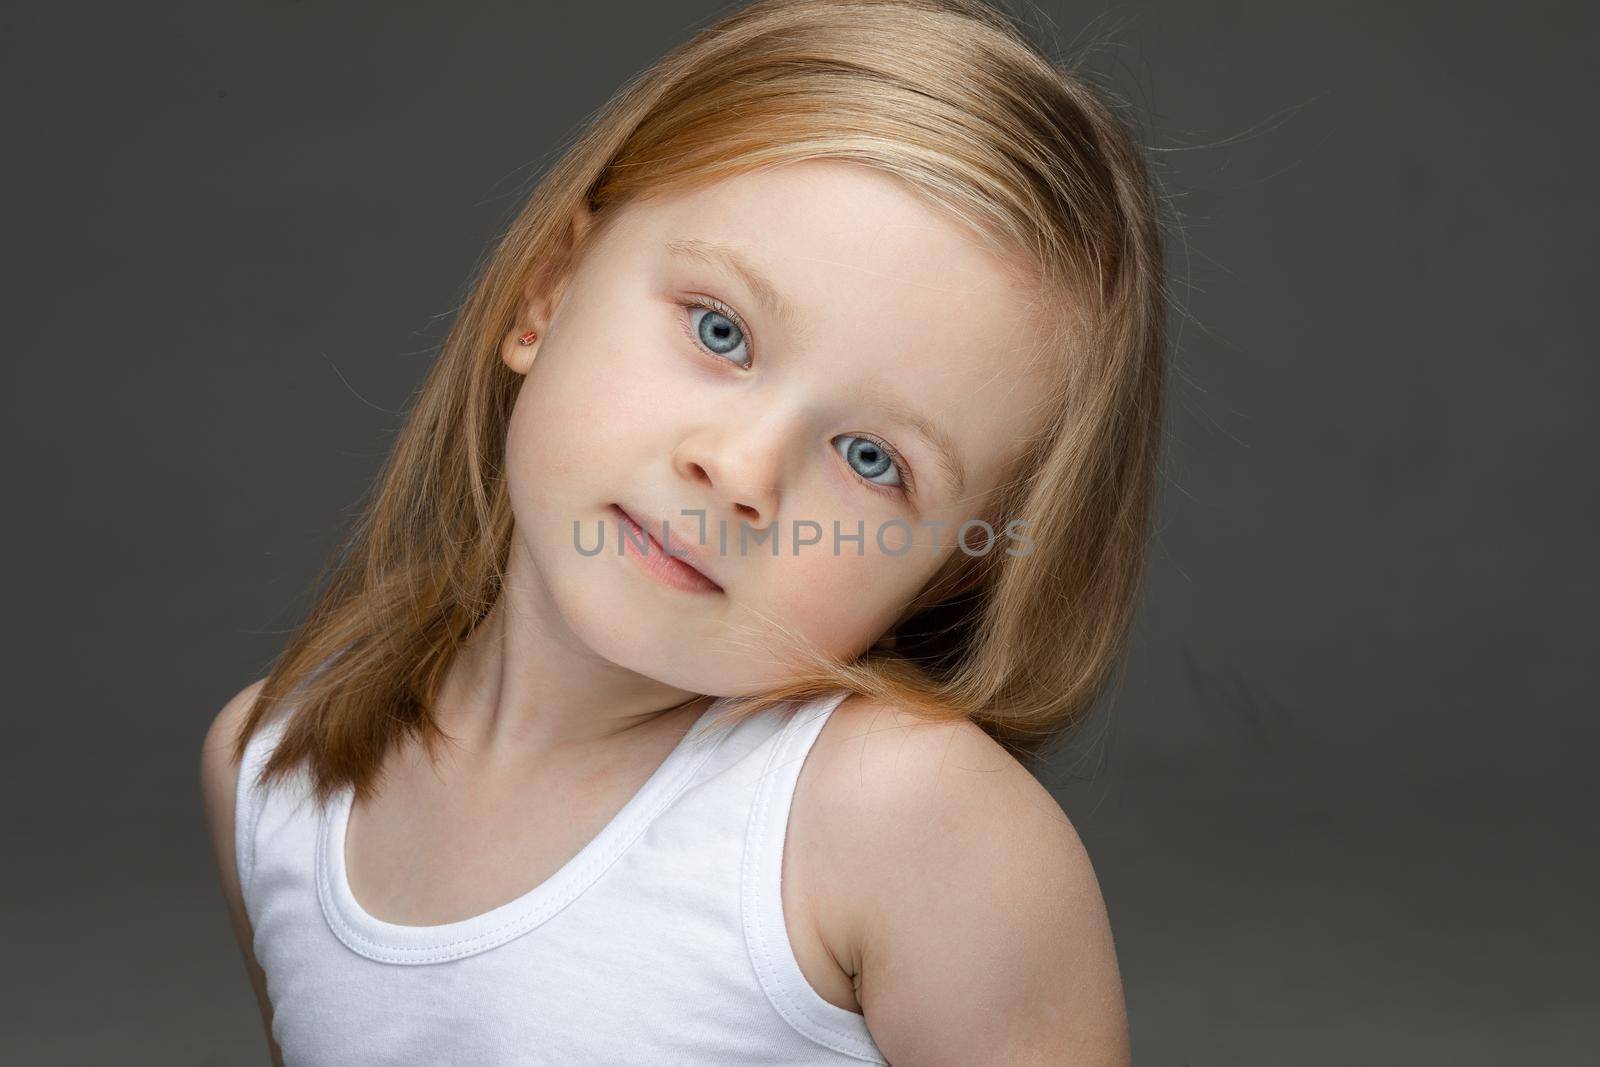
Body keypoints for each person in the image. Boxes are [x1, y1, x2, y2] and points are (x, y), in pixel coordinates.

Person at [199, 0, 1168, 1062]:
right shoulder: (272, 770)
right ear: (547, 291)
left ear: (943, 575)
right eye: (721, 330)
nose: (743, 470)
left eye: (872, 459)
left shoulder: (903, 823)